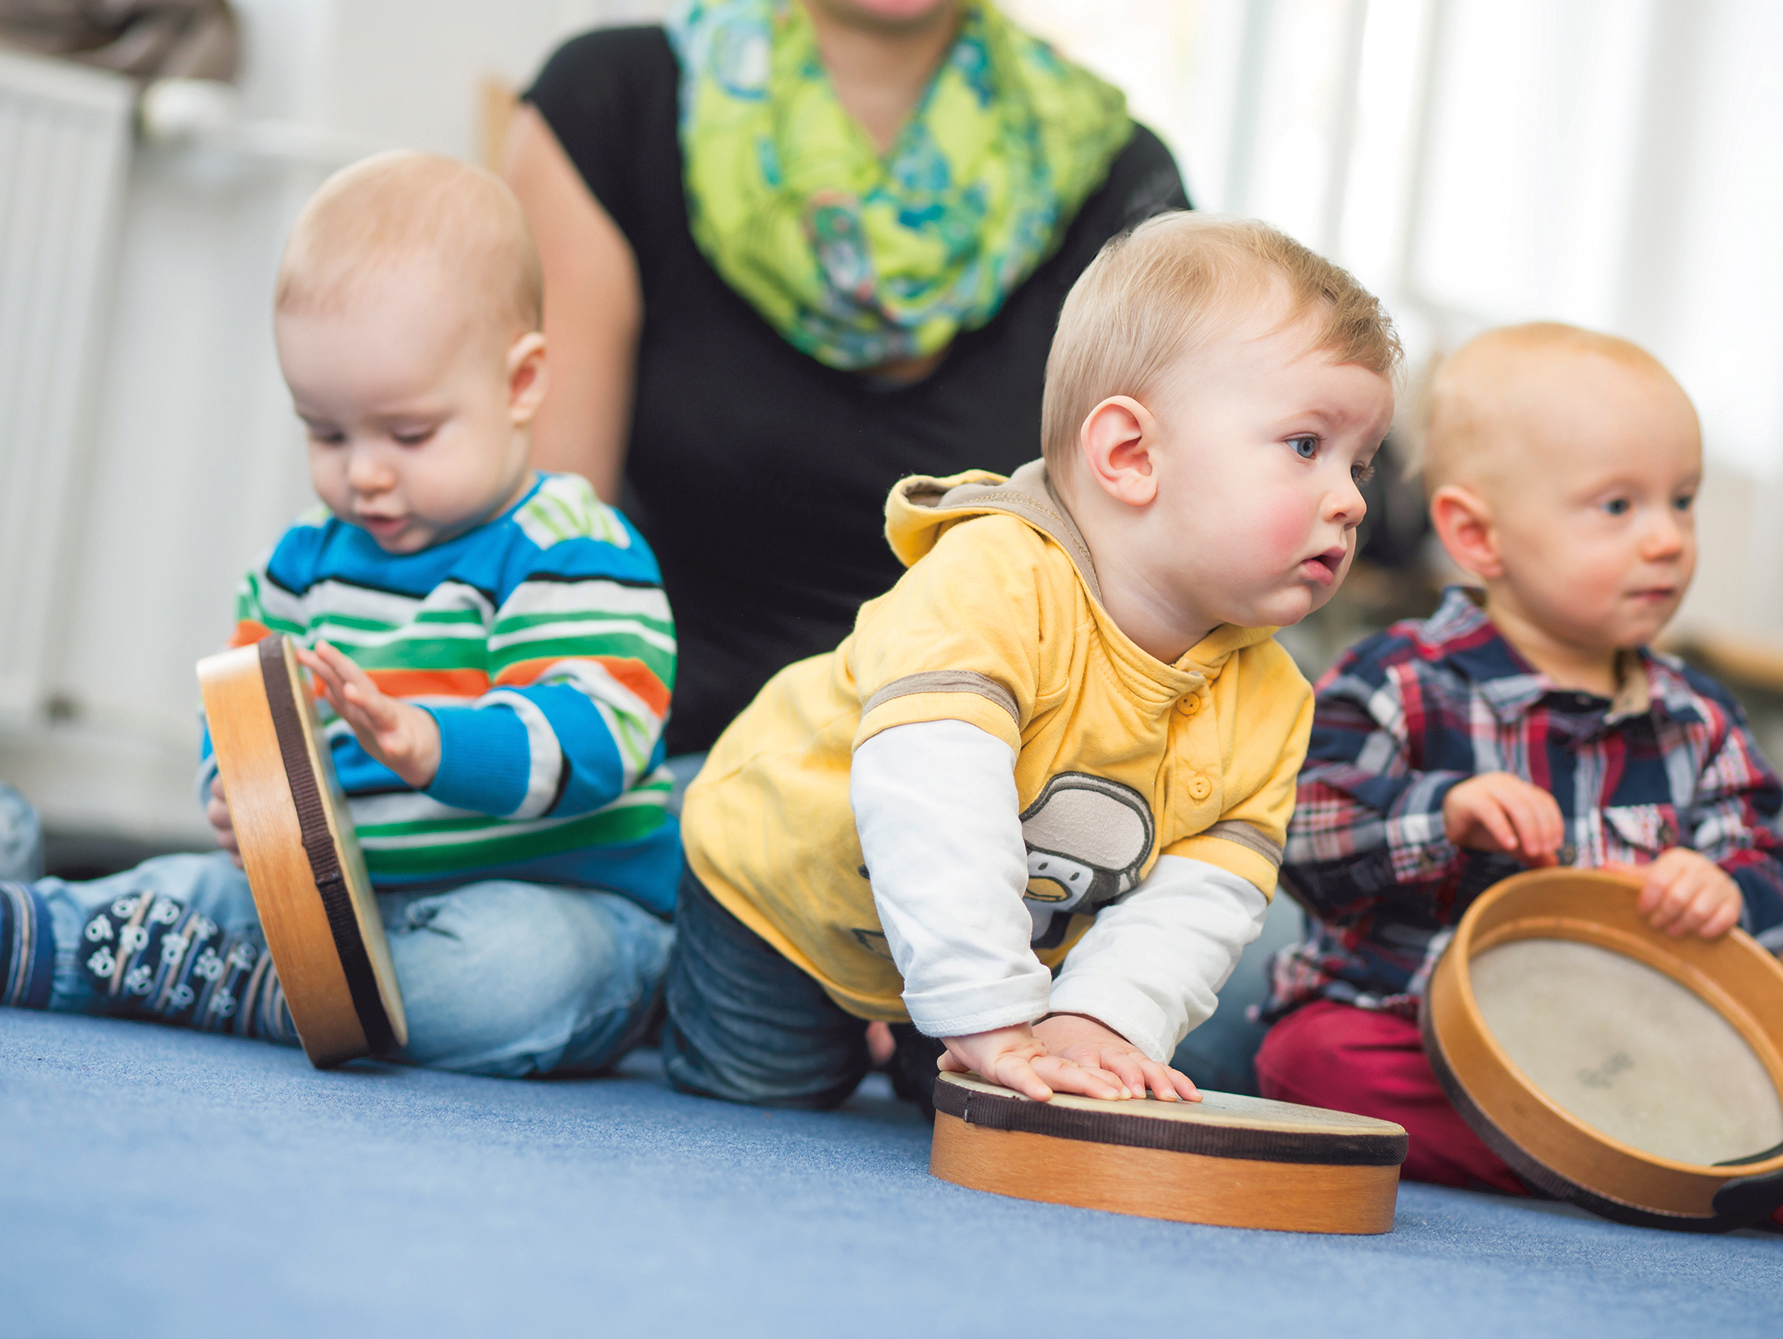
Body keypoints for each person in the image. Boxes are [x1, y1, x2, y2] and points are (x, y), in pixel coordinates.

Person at [1257, 322, 1783, 1265]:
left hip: (1633, 1054)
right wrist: (1440, 813)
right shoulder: (1396, 680)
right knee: (1307, 1061)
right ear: (1476, 534)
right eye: (1617, 506)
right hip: (1412, 1028)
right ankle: (1711, 1175)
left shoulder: (1696, 717)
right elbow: (1301, 832)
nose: (1666, 538)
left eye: (1682, 502)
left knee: (1745, 1090)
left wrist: (1730, 887)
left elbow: (1770, 863)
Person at [664, 212, 1399, 1110]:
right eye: (1305, 446)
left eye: (1361, 464)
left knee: (980, 1102)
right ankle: (640, 957)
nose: (1350, 501)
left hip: (1009, 935)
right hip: (782, 900)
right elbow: (932, 804)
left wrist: (1092, 1022)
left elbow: (1206, 892)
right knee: (760, 1095)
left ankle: (932, 1023)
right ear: (1130, 454)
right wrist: (990, 1011)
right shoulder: (993, 582)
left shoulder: (1274, 698)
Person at [0, 152, 680, 1078]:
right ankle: (40, 924)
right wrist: (234, 786)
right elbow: (244, 710)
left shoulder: (570, 546)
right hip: (337, 901)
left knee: (517, 979)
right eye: (326, 432)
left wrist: (430, 744)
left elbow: (602, 735)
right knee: (198, 884)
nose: (362, 472)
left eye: (408, 434)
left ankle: (212, 977)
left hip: (554, 894)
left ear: (520, 385)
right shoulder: (302, 563)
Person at [503, 0, 1191, 769]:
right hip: (660, 772)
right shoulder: (609, 102)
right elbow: (544, 567)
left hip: (996, 791)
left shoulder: (1121, 176)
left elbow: (1145, 615)